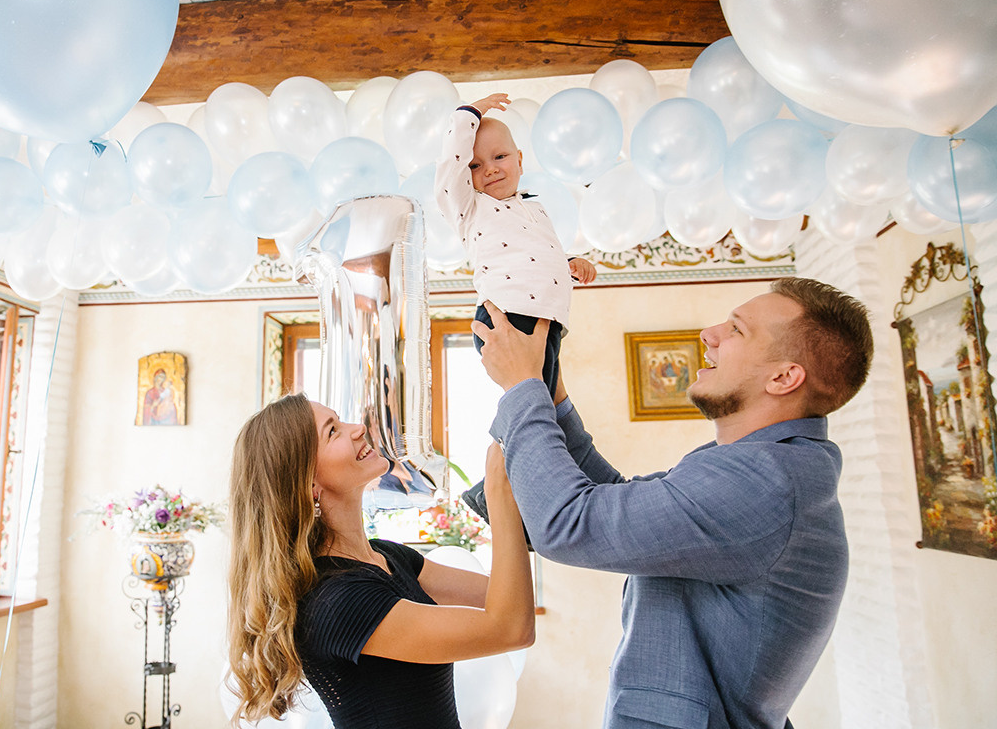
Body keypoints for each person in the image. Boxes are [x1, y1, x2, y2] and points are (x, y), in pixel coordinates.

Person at [472, 277, 874, 729]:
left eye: (737, 330)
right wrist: (549, 392)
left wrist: (522, 386)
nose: (709, 335)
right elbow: (615, 502)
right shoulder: (761, 464)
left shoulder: (766, 480)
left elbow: (569, 523)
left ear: (783, 378)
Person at [226, 393, 535, 729]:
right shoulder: (336, 599)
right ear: (310, 484)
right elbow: (512, 628)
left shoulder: (387, 556)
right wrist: (499, 495)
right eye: (333, 431)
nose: (358, 428)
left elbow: (511, 602)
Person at [434, 92, 596, 519]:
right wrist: (470, 114)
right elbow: (448, 169)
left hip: (545, 322)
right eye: (475, 165)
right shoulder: (471, 209)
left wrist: (569, 262)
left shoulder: (534, 209)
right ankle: (497, 494)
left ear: (520, 160)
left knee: (545, 416)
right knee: (533, 413)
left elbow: (537, 255)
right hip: (508, 320)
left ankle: (507, 491)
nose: (489, 169)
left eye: (500, 157)